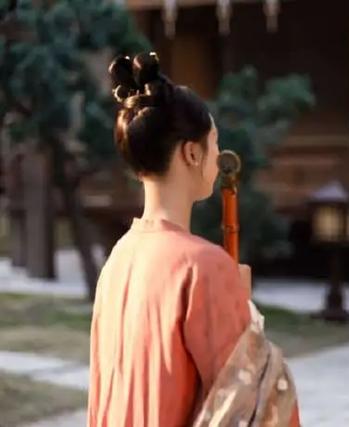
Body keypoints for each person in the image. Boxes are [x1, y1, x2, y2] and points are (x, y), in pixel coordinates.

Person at [88, 52, 299, 427]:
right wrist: (246, 320)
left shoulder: (119, 256)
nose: (218, 157)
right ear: (191, 153)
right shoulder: (203, 266)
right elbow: (250, 407)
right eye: (214, 143)